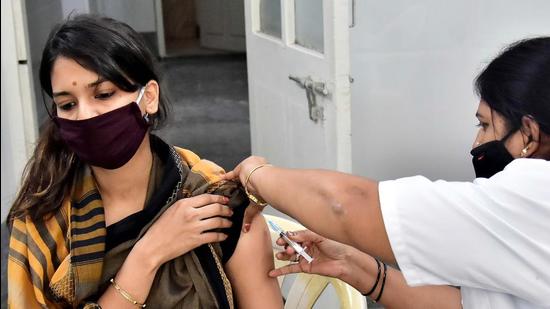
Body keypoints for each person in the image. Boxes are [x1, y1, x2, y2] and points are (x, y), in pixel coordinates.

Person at [223, 36, 550, 308]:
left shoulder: (533, 195)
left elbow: (345, 204)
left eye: (485, 125)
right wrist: (356, 268)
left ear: (530, 134)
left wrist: (255, 174)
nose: (476, 142)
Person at [7, 15, 282, 309]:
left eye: (103, 94)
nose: (85, 115)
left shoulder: (215, 200)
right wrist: (148, 255)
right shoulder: (45, 217)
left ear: (148, 97)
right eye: (68, 105)